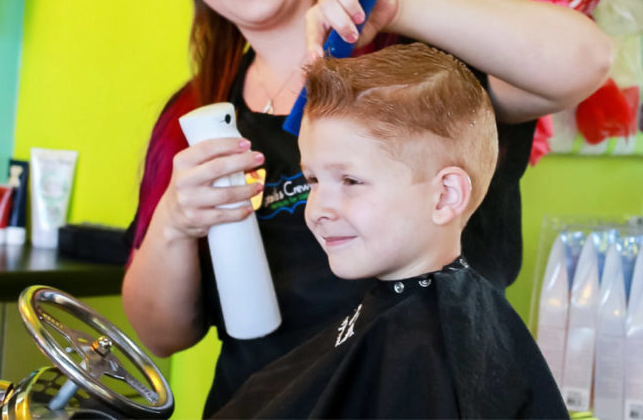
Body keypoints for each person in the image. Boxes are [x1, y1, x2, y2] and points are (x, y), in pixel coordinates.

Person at [121, 0, 610, 415]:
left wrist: (397, 6)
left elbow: (586, 60)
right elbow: (161, 335)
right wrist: (175, 220)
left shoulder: (420, 69)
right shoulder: (194, 118)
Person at [213, 43, 569, 418]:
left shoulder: (427, 352)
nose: (317, 209)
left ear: (445, 195)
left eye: (350, 181)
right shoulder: (403, 322)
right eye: (313, 180)